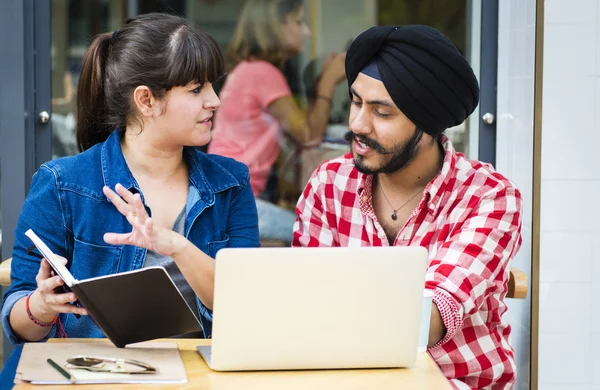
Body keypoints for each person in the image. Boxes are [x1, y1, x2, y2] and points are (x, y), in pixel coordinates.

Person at [1, 12, 259, 357]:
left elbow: (245, 304)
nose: (214, 100)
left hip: (196, 374)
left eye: (212, 85)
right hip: (92, 372)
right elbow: (20, 325)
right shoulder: (62, 184)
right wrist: (42, 305)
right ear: (146, 100)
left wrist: (176, 246)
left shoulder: (230, 183)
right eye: (197, 89)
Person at [293, 25, 522, 389]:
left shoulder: (487, 196)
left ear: (427, 125)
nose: (357, 124)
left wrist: (328, 313)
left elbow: (427, 322)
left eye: (382, 113)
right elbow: (306, 306)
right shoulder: (329, 184)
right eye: (355, 102)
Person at [208, 0, 346, 243]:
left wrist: (320, 84)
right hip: (235, 201)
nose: (307, 31)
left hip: (224, 195)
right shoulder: (263, 73)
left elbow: (302, 126)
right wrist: (329, 81)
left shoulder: (250, 69)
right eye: (298, 22)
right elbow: (309, 135)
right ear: (275, 26)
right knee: (318, 231)